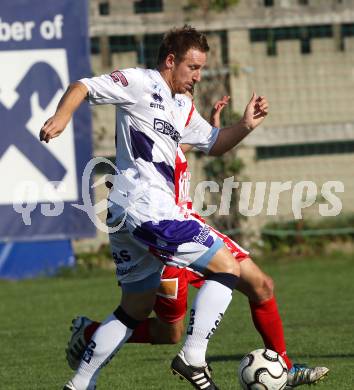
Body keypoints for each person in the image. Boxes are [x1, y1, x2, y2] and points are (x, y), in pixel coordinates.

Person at [40, 26, 269, 390]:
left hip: (131, 213)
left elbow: (214, 143)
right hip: (148, 207)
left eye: (201, 69)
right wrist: (62, 116)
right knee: (227, 267)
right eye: (193, 67)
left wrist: (244, 125)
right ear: (170, 61)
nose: (198, 76)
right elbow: (82, 85)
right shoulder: (139, 82)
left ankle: (79, 384)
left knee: (134, 307)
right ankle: (193, 356)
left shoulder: (182, 105)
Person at [65, 96, 329, 389]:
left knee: (261, 285)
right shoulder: (145, 120)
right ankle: (91, 335)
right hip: (161, 234)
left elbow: (188, 146)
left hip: (187, 226)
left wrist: (217, 131)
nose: (188, 91)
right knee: (169, 332)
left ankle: (283, 367)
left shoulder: (172, 123)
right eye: (189, 74)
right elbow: (153, 156)